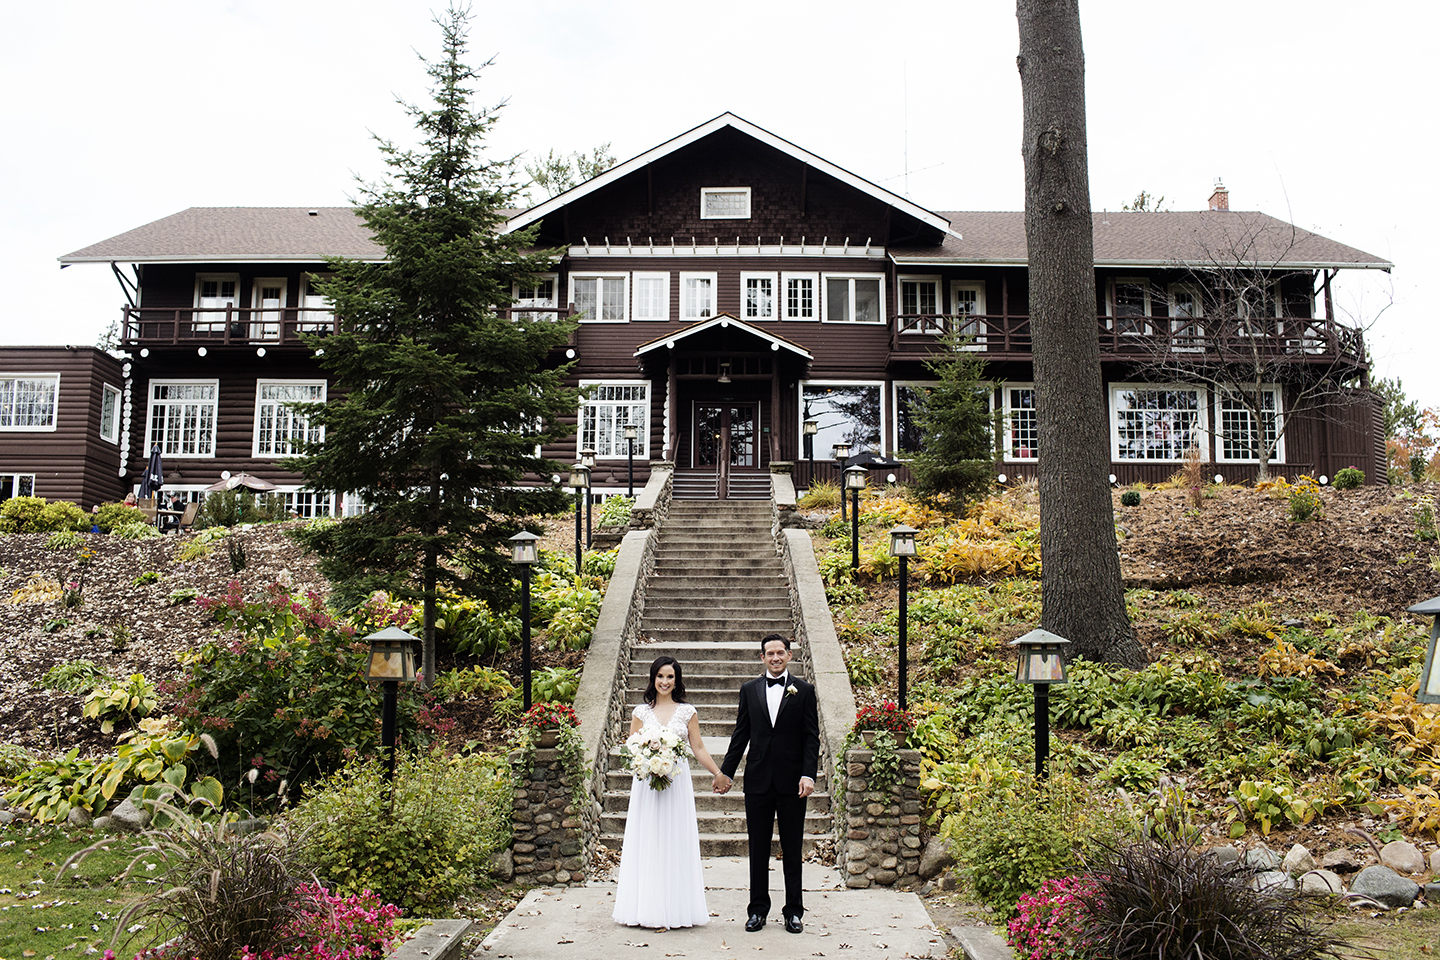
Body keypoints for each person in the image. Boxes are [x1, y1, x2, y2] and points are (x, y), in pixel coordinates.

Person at [716, 634, 821, 935]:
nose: (775, 658)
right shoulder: (749, 690)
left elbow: (810, 737)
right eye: (769, 653)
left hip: (793, 783)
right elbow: (741, 735)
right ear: (762, 658)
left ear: (789, 655)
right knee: (758, 849)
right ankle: (757, 910)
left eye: (780, 653)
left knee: (792, 848)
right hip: (758, 781)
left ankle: (794, 912)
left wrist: (808, 774)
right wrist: (726, 773)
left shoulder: (804, 690)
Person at [612, 656, 724, 930]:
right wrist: (646, 760)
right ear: (653, 678)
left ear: (677, 680)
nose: (665, 682)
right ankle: (644, 907)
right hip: (646, 785)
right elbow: (631, 749)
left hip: (676, 783)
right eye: (660, 676)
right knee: (647, 839)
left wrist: (718, 773)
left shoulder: (687, 712)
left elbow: (697, 748)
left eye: (670, 677)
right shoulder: (640, 712)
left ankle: (677, 909)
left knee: (675, 839)